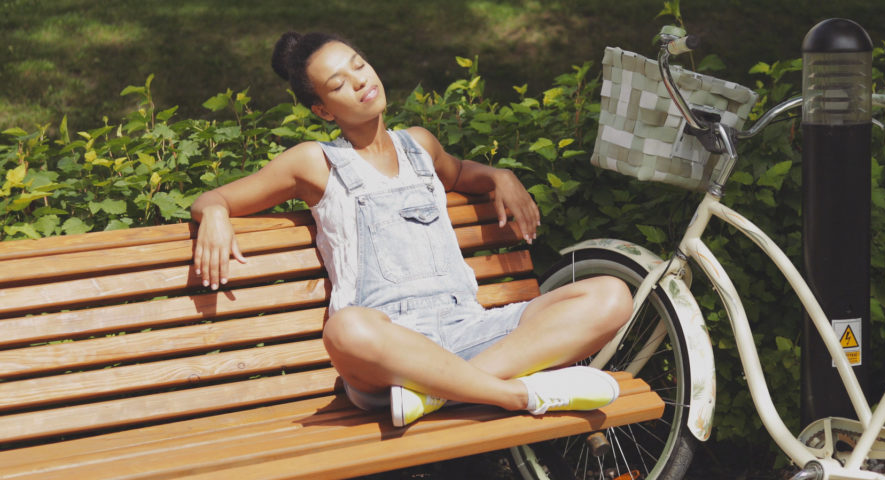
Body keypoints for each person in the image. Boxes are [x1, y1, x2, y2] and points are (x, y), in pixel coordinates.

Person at [190, 31, 634, 427]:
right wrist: (213, 214)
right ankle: (514, 394)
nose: (360, 80)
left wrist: (500, 176)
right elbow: (216, 198)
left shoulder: (420, 146)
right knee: (345, 330)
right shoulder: (315, 162)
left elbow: (459, 173)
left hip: (470, 330)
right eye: (338, 84)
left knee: (610, 294)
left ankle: (435, 395)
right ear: (323, 110)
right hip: (390, 354)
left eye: (358, 65)